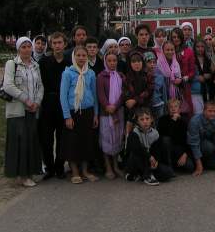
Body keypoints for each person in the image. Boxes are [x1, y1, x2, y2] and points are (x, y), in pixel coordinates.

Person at [3, 37, 44, 187]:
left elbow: (40, 86)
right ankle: (21, 175)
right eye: (23, 47)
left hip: (33, 110)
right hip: (18, 110)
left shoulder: (35, 65)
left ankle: (30, 172)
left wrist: (37, 102)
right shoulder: (12, 64)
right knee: (19, 142)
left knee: (31, 142)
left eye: (28, 46)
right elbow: (8, 86)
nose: (27, 49)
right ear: (18, 49)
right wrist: (26, 100)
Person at [60, 45, 99, 184]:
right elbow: (63, 96)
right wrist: (67, 116)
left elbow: (94, 94)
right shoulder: (68, 73)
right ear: (73, 57)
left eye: (84, 56)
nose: (81, 58)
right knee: (73, 143)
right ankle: (75, 172)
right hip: (73, 113)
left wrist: (96, 114)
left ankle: (85, 171)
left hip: (88, 112)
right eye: (79, 55)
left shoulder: (91, 73)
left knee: (86, 142)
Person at [38, 32, 70, 180]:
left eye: (60, 43)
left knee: (63, 138)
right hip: (47, 103)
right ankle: (49, 168)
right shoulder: (44, 62)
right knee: (47, 138)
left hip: (64, 104)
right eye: (54, 43)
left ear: (65, 44)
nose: (57, 45)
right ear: (51, 45)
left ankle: (59, 167)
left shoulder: (69, 62)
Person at [125, 107, 175, 185]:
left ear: (151, 119)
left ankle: (146, 173)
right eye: (142, 119)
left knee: (168, 173)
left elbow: (157, 150)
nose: (145, 121)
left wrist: (155, 161)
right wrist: (149, 157)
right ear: (137, 122)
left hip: (149, 161)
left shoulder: (155, 133)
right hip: (137, 160)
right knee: (136, 153)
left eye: (147, 118)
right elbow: (137, 149)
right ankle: (146, 175)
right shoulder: (134, 133)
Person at [96, 52, 126, 180]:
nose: (112, 63)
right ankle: (108, 166)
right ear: (105, 62)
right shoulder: (101, 76)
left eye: (114, 60)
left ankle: (115, 165)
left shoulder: (121, 76)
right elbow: (100, 94)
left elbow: (123, 94)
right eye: (109, 61)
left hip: (118, 111)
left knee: (117, 138)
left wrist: (116, 106)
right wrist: (108, 106)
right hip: (105, 113)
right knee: (106, 139)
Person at [187, 100, 215, 176]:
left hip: (207, 146)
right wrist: (199, 165)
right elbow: (194, 144)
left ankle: (205, 161)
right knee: (190, 166)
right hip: (192, 147)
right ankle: (198, 162)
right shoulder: (195, 121)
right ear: (204, 111)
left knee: (214, 165)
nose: (212, 114)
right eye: (210, 111)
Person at [157, 99, 194, 173]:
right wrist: (173, 120)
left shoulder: (184, 121)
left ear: (179, 109)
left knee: (190, 167)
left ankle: (175, 164)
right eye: (171, 107)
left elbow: (188, 139)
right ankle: (169, 166)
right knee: (166, 139)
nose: (173, 109)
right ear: (168, 109)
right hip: (167, 148)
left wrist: (185, 154)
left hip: (179, 149)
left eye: (175, 107)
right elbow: (165, 135)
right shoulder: (162, 120)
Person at [152, 41, 181, 119]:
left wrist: (179, 79)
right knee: (164, 117)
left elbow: (179, 76)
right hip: (163, 94)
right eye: (167, 50)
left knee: (174, 116)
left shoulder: (176, 63)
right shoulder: (158, 64)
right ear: (163, 51)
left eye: (172, 50)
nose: (170, 52)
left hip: (174, 95)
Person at [171, 27, 195, 115]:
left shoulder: (188, 51)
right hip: (171, 85)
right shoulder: (168, 50)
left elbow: (192, 71)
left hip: (184, 86)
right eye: (174, 37)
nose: (176, 39)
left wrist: (184, 78)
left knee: (185, 111)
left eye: (178, 37)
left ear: (181, 37)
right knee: (172, 110)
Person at [124, 51, 150, 125]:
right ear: (130, 64)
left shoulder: (147, 76)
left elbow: (148, 92)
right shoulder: (127, 78)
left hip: (145, 110)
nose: (136, 64)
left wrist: (135, 100)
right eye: (133, 62)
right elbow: (126, 93)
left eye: (139, 61)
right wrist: (129, 100)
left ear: (143, 62)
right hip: (131, 111)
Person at [193, 39, 212, 111]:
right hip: (195, 91)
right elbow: (186, 75)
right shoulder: (191, 59)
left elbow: (213, 73)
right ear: (194, 48)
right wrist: (197, 77)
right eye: (198, 47)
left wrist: (210, 75)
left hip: (207, 90)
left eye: (202, 46)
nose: (200, 49)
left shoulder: (208, 59)